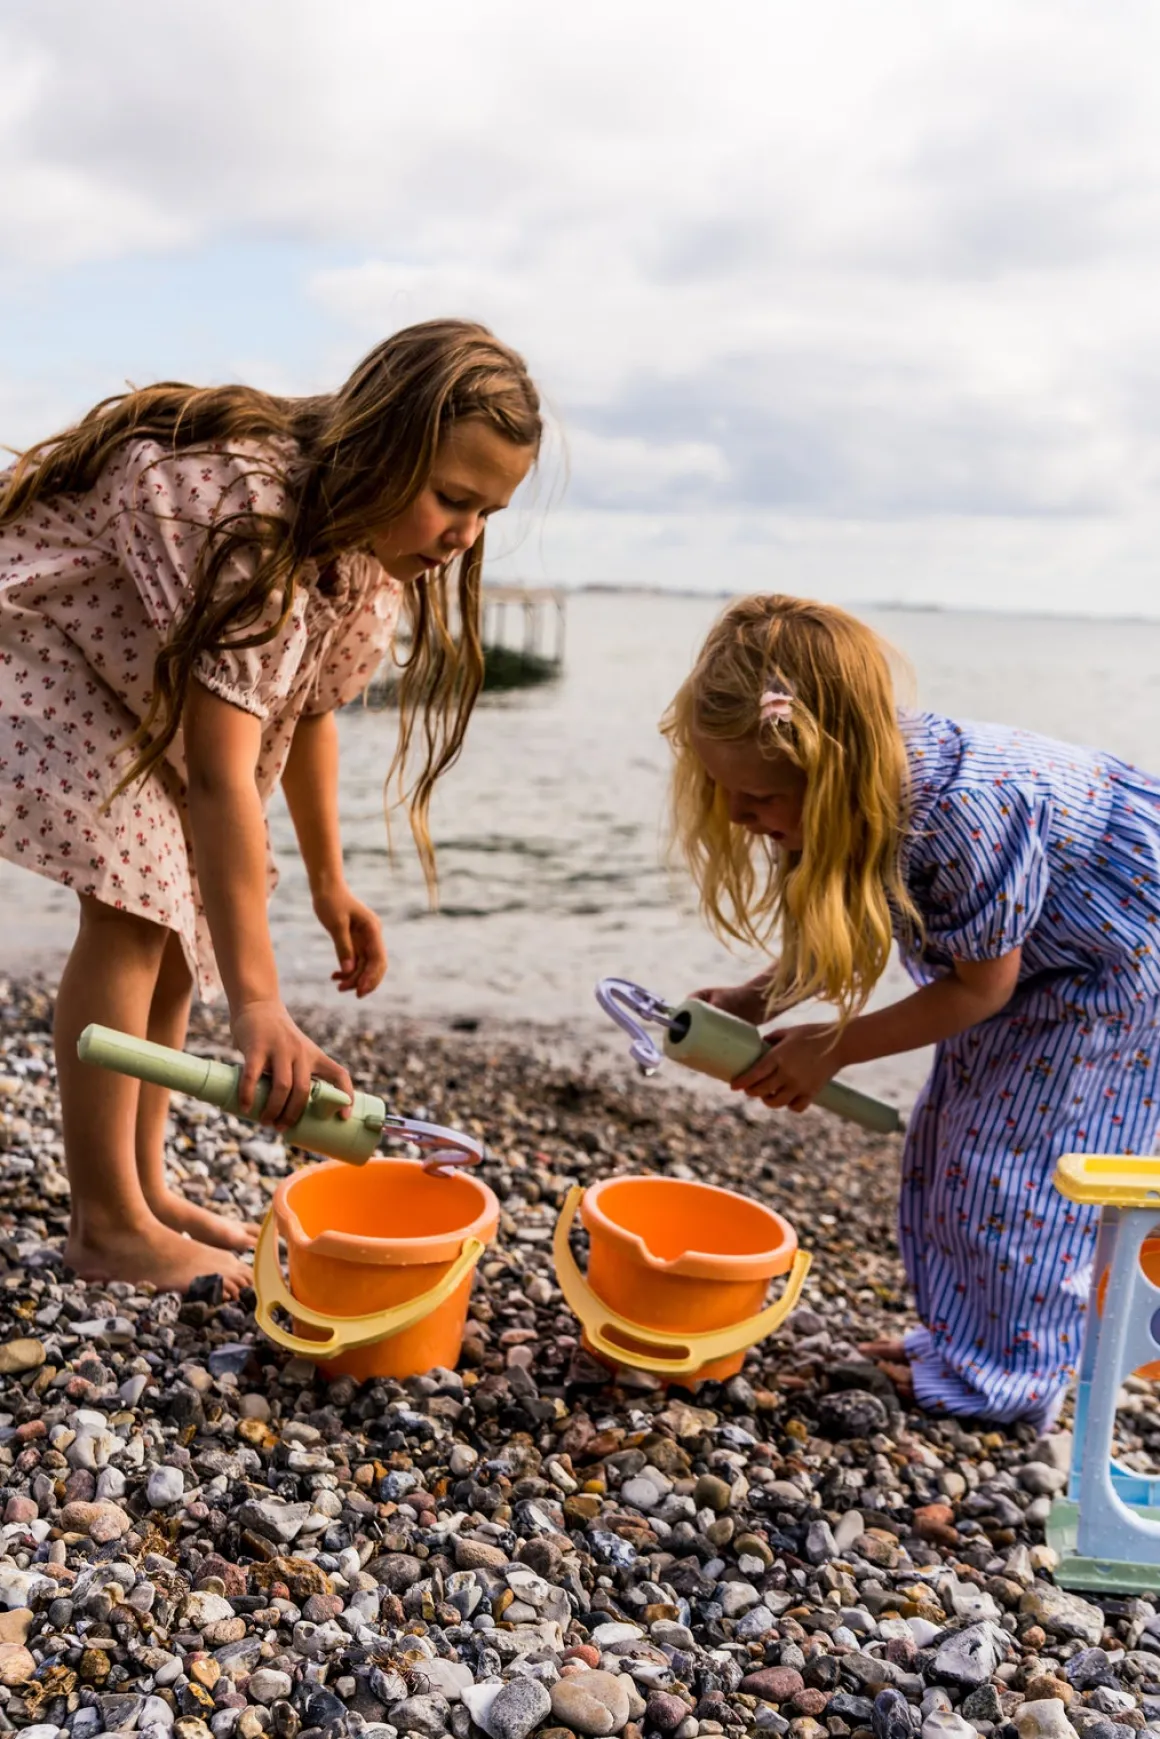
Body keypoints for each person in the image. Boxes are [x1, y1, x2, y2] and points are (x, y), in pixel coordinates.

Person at [0, 319, 540, 1295]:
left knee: (182, 915)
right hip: (43, 640)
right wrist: (259, 1005)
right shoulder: (247, 518)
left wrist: (331, 882)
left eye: (486, 512)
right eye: (452, 498)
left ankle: (143, 1189)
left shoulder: (366, 561)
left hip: (139, 682)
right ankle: (106, 1224)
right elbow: (220, 777)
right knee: (135, 902)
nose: (465, 534)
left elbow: (308, 708)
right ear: (381, 446)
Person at [663, 592, 1160, 1427]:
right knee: (953, 1146)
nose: (740, 814)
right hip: (1038, 961)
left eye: (759, 796)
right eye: (725, 789)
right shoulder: (860, 788)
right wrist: (758, 996)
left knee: (1016, 1167)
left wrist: (833, 1047)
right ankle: (968, 1343)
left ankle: (1010, 1380)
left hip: (1122, 964)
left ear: (831, 773)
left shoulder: (964, 812)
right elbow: (855, 918)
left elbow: (980, 988)